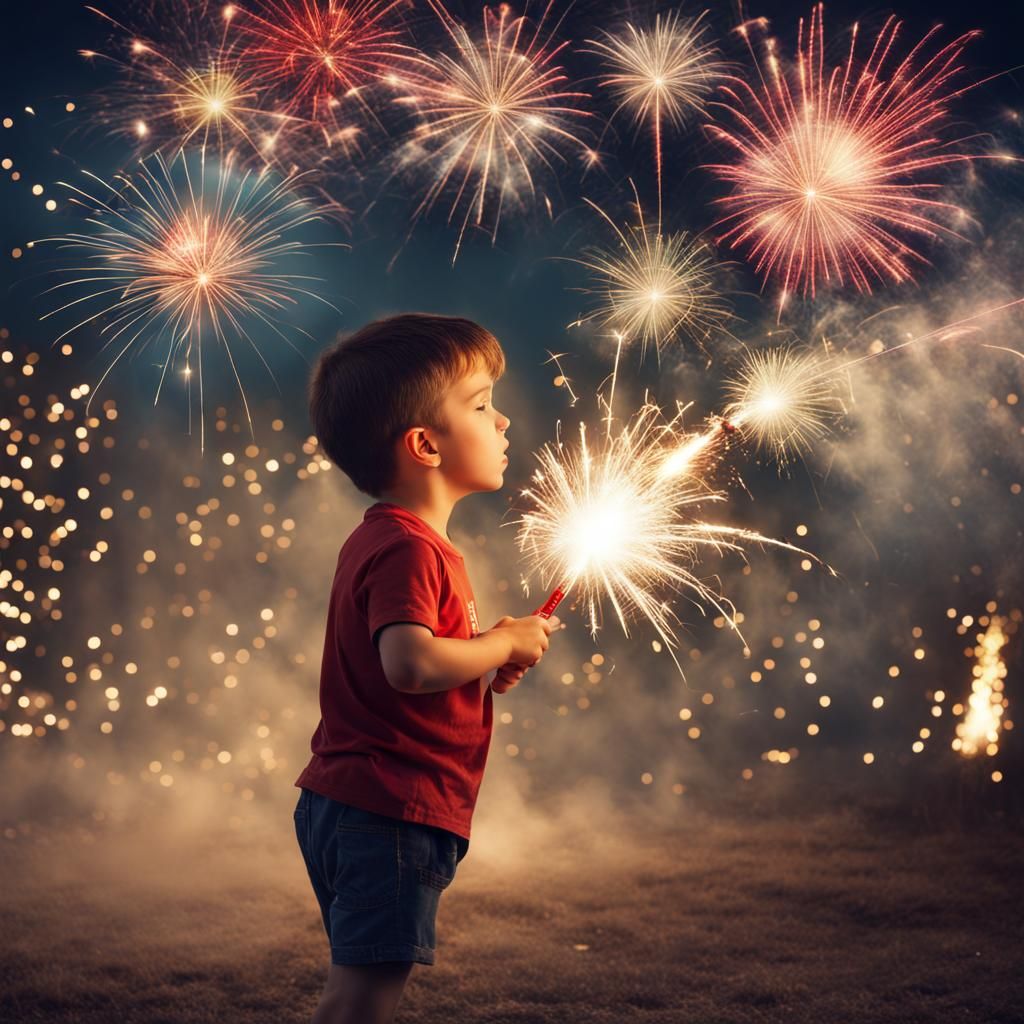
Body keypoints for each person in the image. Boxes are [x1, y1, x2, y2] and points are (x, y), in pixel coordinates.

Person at [293, 313, 562, 1023]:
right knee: (362, 998)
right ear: (423, 445)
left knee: (361, 984)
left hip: (353, 803)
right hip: (389, 811)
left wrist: (489, 649)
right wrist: (500, 649)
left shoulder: (388, 539)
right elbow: (409, 665)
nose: (502, 422)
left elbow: (426, 659)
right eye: (480, 406)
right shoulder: (413, 550)